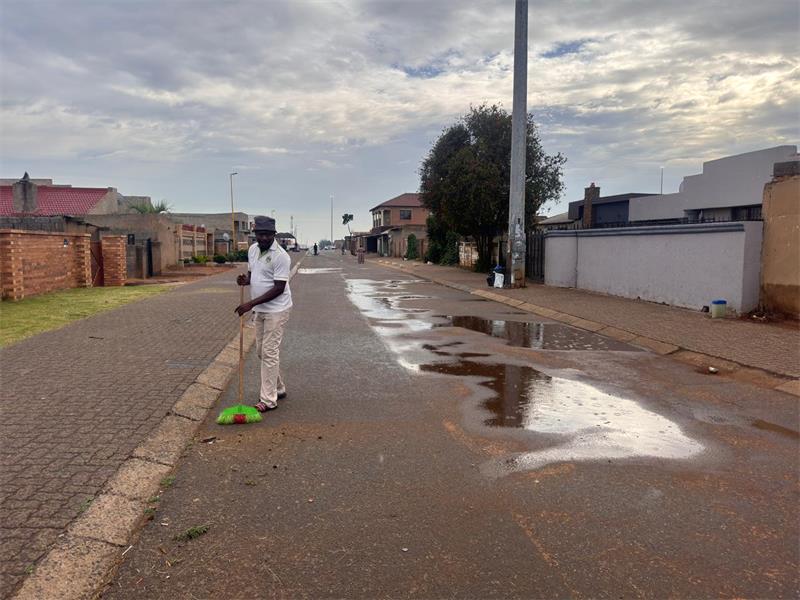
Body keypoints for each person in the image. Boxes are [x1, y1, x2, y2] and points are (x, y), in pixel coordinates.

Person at [235, 216, 292, 412]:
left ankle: (268, 400)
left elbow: (279, 288)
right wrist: (245, 281)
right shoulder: (252, 250)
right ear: (256, 235)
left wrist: (250, 303)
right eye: (260, 234)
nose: (264, 238)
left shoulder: (281, 256)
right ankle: (278, 387)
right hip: (260, 309)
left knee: (268, 352)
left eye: (268, 234)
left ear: (274, 235)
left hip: (277, 309)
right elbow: (253, 276)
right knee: (262, 352)